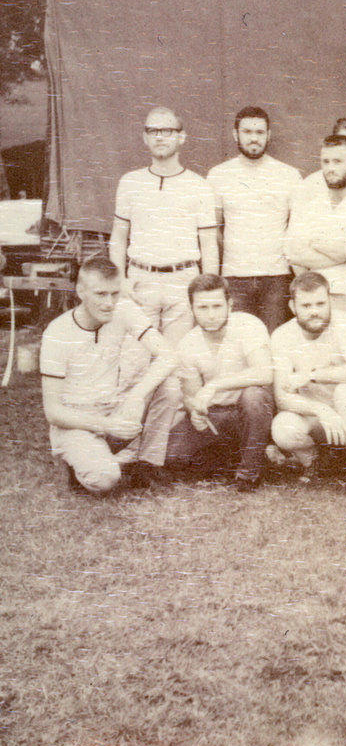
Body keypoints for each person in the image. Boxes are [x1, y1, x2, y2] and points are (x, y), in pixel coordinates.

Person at [40, 258, 177, 493]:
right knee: (105, 479)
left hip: (114, 405)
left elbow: (169, 356)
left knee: (171, 387)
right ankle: (81, 461)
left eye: (114, 293)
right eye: (100, 294)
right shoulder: (57, 332)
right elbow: (53, 412)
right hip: (76, 420)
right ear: (80, 291)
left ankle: (146, 465)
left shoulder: (123, 309)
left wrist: (136, 396)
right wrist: (108, 425)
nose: (109, 303)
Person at [110, 106, 219, 343]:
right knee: (134, 360)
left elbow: (209, 244)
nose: (159, 136)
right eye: (153, 131)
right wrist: (120, 281)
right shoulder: (130, 182)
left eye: (167, 131)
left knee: (177, 362)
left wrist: (208, 293)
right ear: (145, 137)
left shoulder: (199, 185)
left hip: (183, 282)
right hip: (140, 280)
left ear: (181, 137)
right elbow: (118, 238)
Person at [270, 272, 346, 503]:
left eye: (320, 303)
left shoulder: (345, 323)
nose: (314, 311)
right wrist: (322, 411)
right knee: (283, 427)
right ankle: (314, 462)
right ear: (292, 306)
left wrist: (312, 375)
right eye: (306, 305)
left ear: (330, 301)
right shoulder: (282, 335)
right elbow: (282, 397)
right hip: (316, 416)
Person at [165, 274, 274, 491]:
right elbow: (192, 396)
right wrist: (195, 410)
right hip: (216, 417)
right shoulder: (188, 343)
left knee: (254, 395)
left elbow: (264, 373)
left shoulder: (248, 325)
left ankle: (247, 476)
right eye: (203, 308)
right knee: (171, 457)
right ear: (192, 309)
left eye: (217, 306)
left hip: (251, 414)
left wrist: (214, 385)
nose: (211, 315)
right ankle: (237, 458)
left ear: (230, 305)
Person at [206, 106, 302, 333]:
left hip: (277, 278)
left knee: (274, 343)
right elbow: (214, 229)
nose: (254, 139)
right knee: (238, 345)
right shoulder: (219, 175)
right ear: (235, 134)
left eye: (260, 133)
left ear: (268, 135)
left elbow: (298, 227)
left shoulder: (289, 175)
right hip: (234, 277)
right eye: (247, 132)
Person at [286, 135, 346, 318]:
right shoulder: (311, 205)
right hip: (315, 300)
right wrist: (341, 253)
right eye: (325, 161)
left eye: (337, 161)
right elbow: (293, 254)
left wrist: (315, 243)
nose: (330, 168)